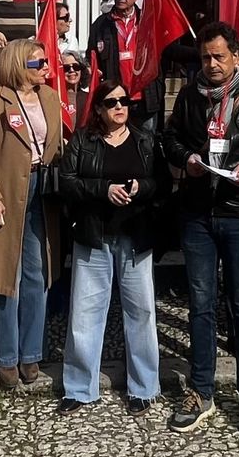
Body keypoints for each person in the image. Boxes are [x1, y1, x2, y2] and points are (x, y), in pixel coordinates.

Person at [161, 21, 239, 442]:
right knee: (200, 305)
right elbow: (170, 139)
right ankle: (201, 391)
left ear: (237, 56)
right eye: (205, 57)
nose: (212, 64)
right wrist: (188, 159)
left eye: (219, 56)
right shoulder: (188, 98)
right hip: (198, 214)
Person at [56, 81, 168, 416]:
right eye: (111, 102)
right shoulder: (83, 140)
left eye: (124, 101)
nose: (120, 107)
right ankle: (79, 388)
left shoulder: (146, 140)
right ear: (99, 108)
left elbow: (162, 183)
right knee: (85, 312)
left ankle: (143, 387)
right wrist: (103, 190)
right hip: (94, 235)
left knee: (141, 312)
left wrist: (140, 188)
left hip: (135, 236)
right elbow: (67, 181)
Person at [0, 38, 64, 389]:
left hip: (42, 191)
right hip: (8, 192)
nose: (46, 67)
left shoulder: (50, 97)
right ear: (18, 65)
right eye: (38, 63)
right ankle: (7, 357)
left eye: (45, 61)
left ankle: (31, 353)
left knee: (37, 274)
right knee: (6, 276)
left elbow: (58, 145)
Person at [88, 0, 160, 133]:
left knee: (146, 140)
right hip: (116, 98)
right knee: (116, 137)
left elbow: (164, 51)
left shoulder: (148, 21)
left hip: (144, 97)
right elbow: (91, 55)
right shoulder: (101, 24)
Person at [60, 50, 91, 129]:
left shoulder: (88, 98)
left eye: (76, 66)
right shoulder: (55, 97)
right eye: (66, 68)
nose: (72, 70)